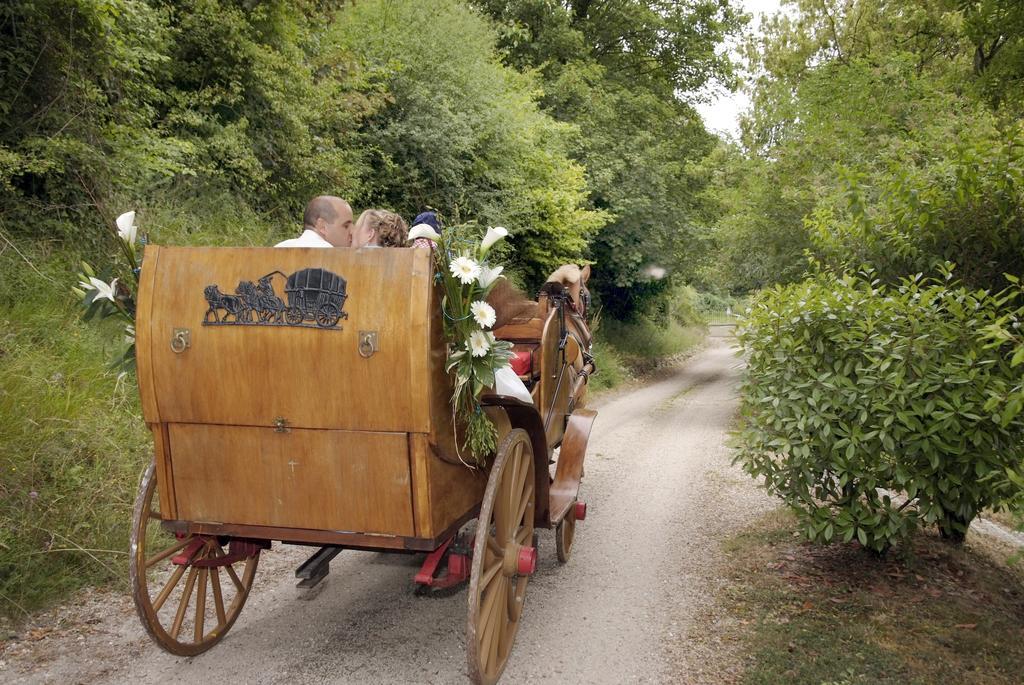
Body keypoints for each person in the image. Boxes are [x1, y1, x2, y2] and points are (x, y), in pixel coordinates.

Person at [275, 196, 353, 247]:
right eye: (346, 226)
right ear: (322, 226)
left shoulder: (280, 247)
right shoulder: (330, 253)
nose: (352, 232)